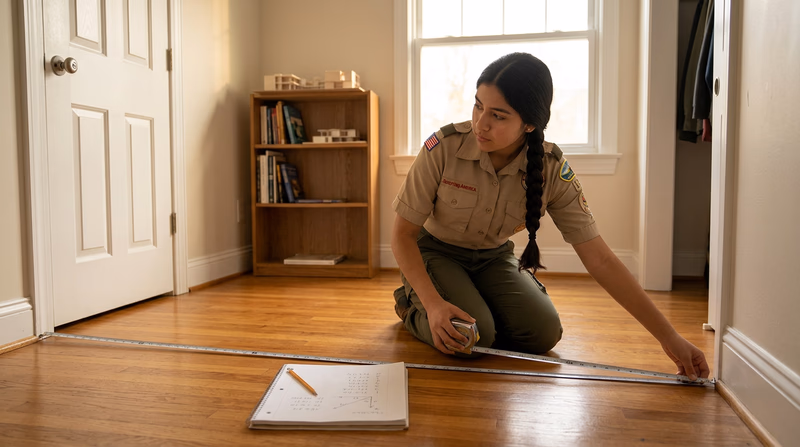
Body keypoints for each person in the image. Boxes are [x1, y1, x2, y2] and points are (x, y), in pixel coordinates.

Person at [391, 52, 710, 381]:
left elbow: (599, 259)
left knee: (543, 333)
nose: (480, 123)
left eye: (498, 116)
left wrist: (669, 337)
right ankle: (409, 302)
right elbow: (402, 235)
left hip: (492, 257)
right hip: (435, 251)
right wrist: (432, 304)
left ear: (529, 123)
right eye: (478, 105)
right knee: (473, 338)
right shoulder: (443, 147)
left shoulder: (552, 168)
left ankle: (470, 301)